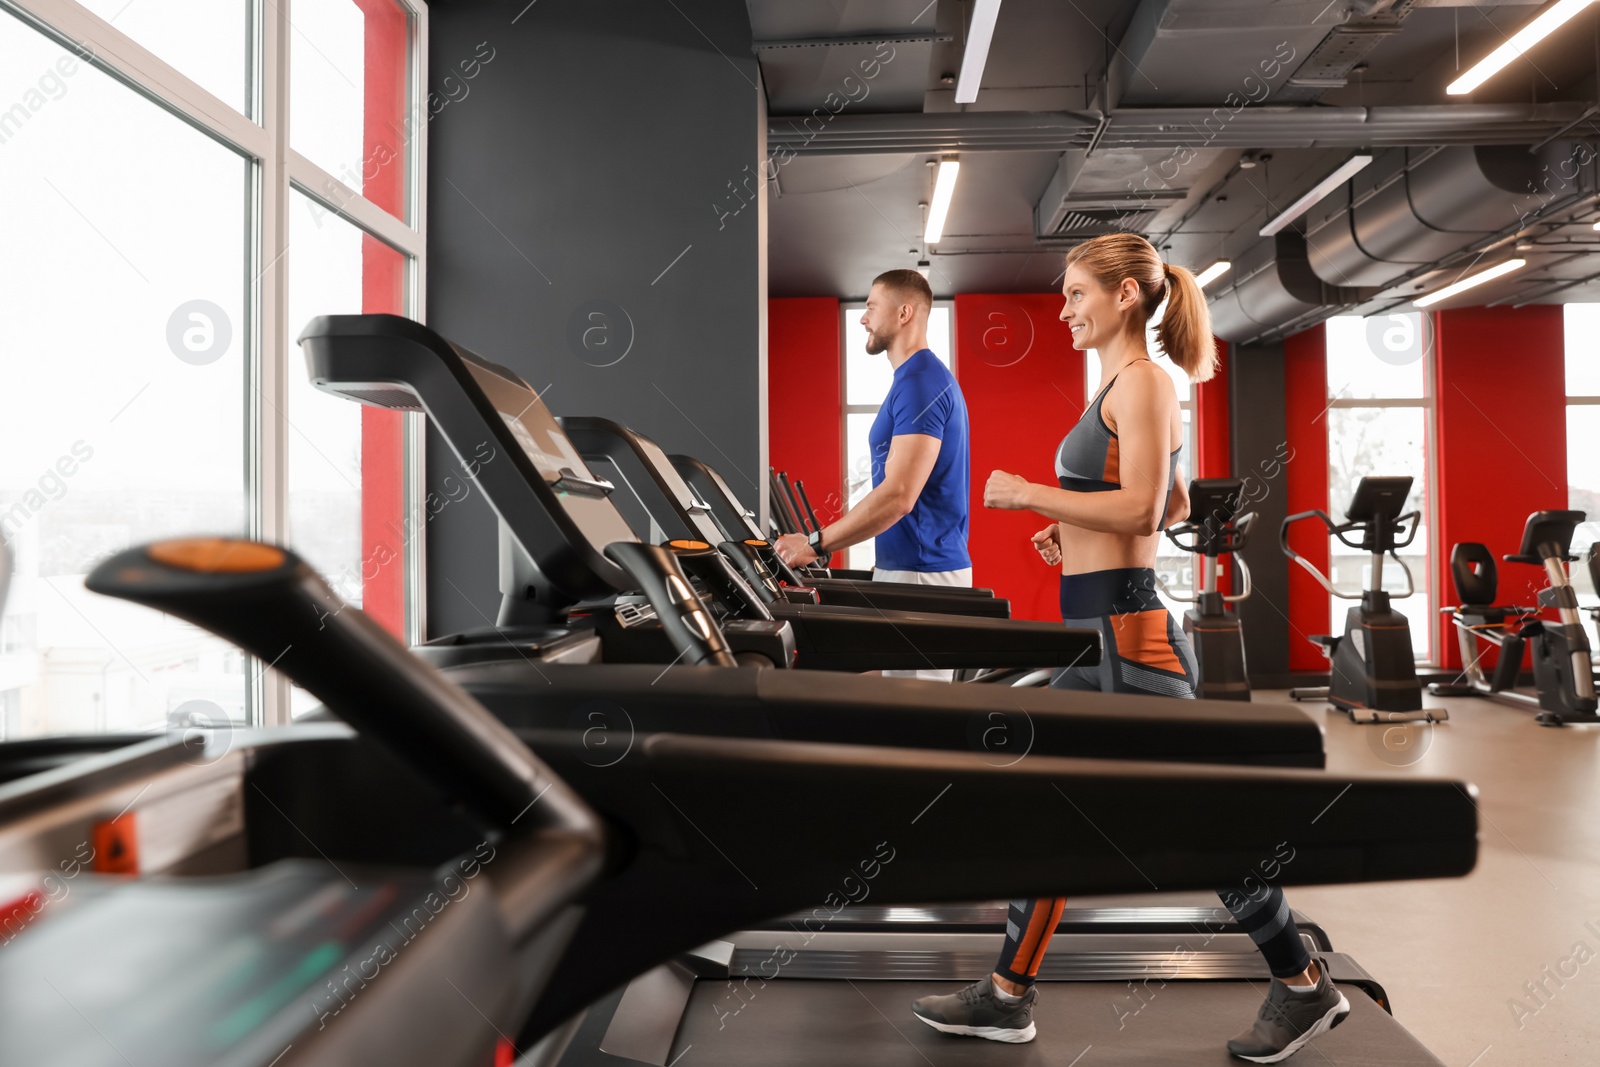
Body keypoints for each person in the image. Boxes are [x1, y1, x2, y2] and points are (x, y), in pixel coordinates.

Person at [908, 233, 1349, 1063]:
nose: (1066, 308)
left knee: (1195, 823)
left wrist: (1029, 493)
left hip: (1127, 637)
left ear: (1126, 298)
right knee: (1057, 801)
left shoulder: (1144, 382)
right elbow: (1175, 495)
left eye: (1078, 293)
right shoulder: (1120, 387)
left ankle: (1300, 983)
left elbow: (1145, 514)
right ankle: (1007, 994)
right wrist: (1066, 520)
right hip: (1096, 632)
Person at [774, 268, 971, 681]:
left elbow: (900, 495)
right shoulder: (912, 381)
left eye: (870, 307)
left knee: (919, 724)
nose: (863, 318)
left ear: (903, 313)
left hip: (922, 573)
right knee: (903, 714)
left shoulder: (921, 383)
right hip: (911, 567)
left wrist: (816, 543)